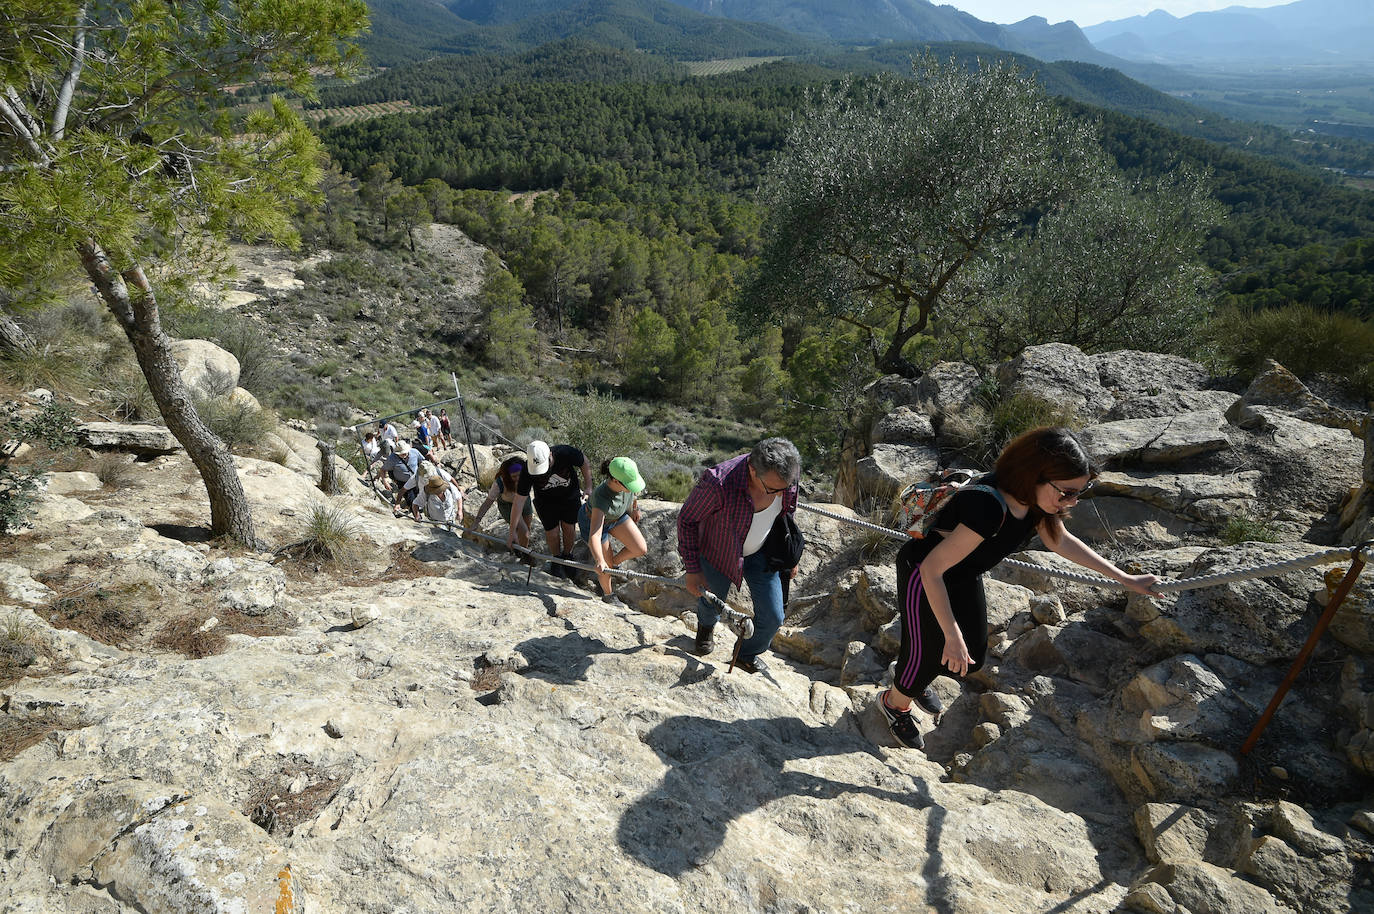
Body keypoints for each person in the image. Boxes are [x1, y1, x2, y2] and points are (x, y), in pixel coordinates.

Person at [878, 426, 1159, 750]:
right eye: (1067, 492)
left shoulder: (1036, 503)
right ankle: (894, 702)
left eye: (1080, 491)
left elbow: (1060, 540)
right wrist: (951, 636)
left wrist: (1124, 578)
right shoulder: (989, 507)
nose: (1073, 501)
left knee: (971, 659)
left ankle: (910, 674)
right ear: (1035, 475)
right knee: (931, 649)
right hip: (924, 573)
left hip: (961, 574)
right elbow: (931, 570)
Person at [677, 437, 802, 675]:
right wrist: (693, 569)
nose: (778, 495)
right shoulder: (718, 482)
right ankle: (705, 628)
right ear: (753, 470)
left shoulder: (787, 475)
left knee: (774, 616)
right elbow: (687, 520)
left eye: (784, 488)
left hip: (764, 552)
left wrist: (790, 556)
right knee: (713, 600)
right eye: (773, 489)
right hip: (719, 551)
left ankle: (746, 653)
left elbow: (789, 509)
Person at [507, 440, 592, 577]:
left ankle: (567, 556)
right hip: (545, 501)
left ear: (550, 455)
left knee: (569, 528)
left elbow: (584, 462)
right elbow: (518, 501)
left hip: (569, 495)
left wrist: (589, 487)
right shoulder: (527, 470)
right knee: (552, 533)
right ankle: (556, 559)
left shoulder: (565, 452)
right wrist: (512, 532)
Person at [578, 457, 648, 606]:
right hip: (594, 522)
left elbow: (634, 493)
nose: (632, 487)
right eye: (629, 485)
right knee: (605, 567)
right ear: (616, 481)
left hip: (616, 517)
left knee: (640, 548)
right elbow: (595, 535)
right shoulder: (601, 496)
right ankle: (608, 595)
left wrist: (635, 508)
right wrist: (600, 561)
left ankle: (612, 564)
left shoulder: (625, 479)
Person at [472, 455, 535, 551]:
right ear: (508, 476)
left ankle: (519, 547)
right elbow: (488, 502)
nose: (518, 478)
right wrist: (477, 521)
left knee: (527, 529)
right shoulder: (499, 483)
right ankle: (524, 554)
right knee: (524, 531)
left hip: (524, 500)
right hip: (507, 505)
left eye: (520, 475)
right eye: (514, 476)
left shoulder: (527, 475)